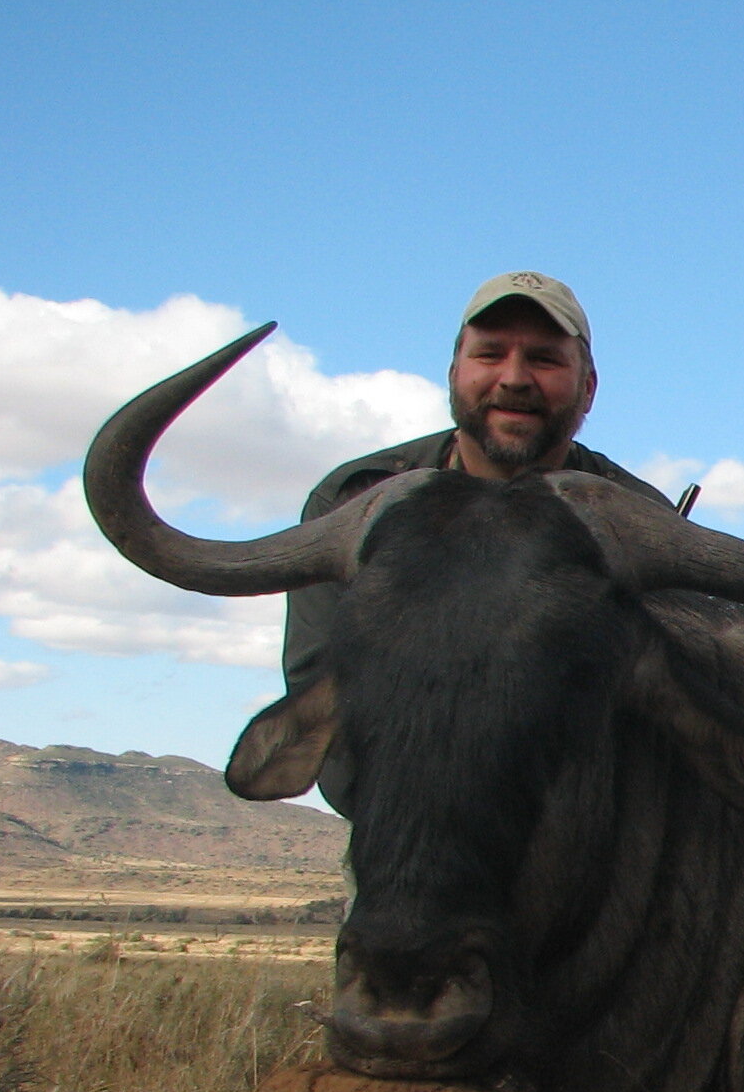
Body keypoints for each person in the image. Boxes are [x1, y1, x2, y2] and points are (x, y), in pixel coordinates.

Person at [279, 273, 671, 815]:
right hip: (400, 823)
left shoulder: (643, 518)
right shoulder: (353, 501)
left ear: (588, 387)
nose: (514, 379)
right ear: (453, 375)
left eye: (545, 358)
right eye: (490, 354)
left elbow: (664, 727)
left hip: (578, 836)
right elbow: (324, 708)